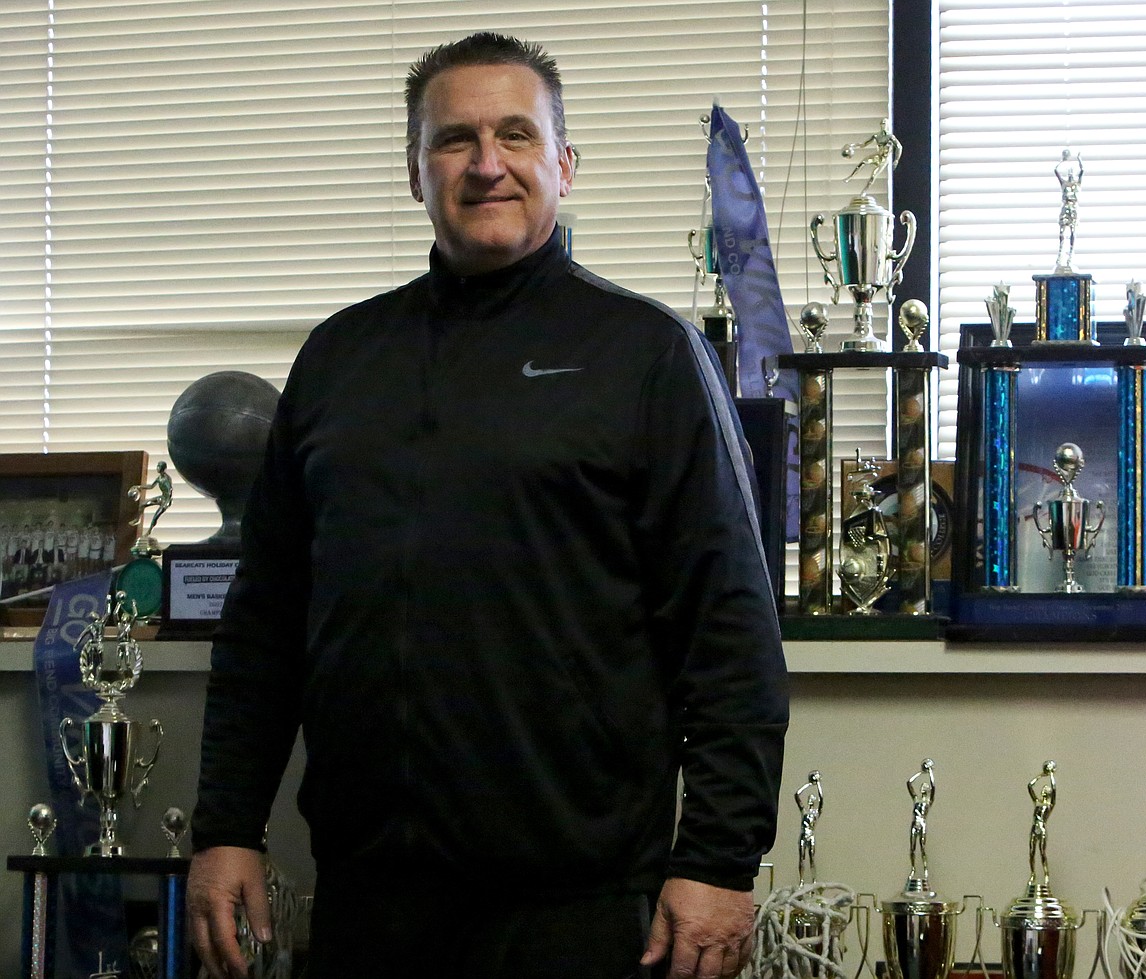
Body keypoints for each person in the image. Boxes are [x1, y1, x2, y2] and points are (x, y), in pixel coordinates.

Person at [188, 31, 788, 979]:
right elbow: (264, 625)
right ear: (415, 173)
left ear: (564, 164)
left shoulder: (650, 357)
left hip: (579, 907)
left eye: (515, 135)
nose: (486, 164)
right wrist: (225, 827)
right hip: (370, 901)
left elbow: (730, 633)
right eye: (454, 140)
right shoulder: (340, 360)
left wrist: (718, 857)